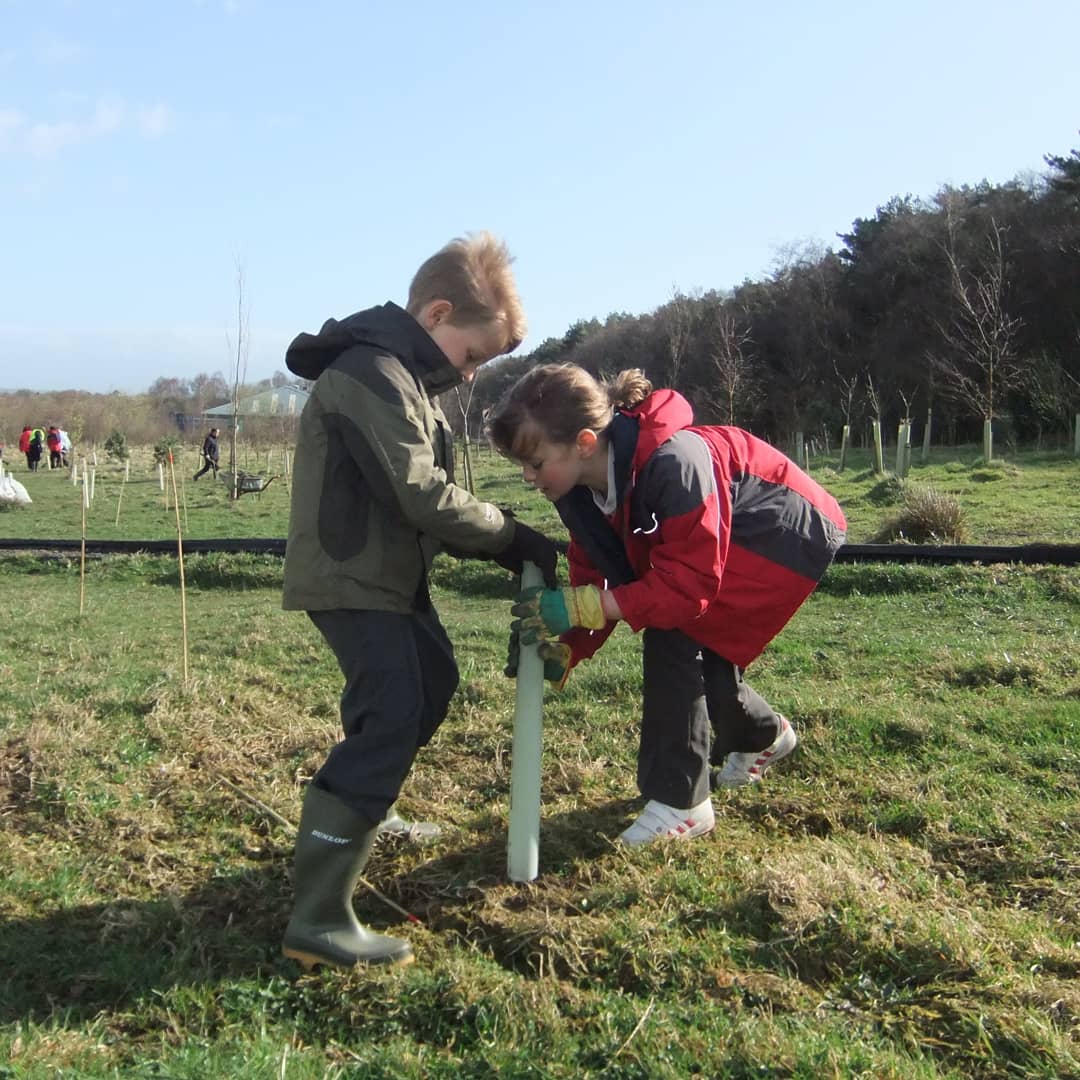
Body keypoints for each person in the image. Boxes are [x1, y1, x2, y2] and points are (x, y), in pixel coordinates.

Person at [279, 231, 560, 970]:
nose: (469, 377)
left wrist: (500, 536)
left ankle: (373, 805)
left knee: (427, 687)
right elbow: (418, 491)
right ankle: (319, 920)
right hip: (351, 577)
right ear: (437, 315)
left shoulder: (402, 374)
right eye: (473, 356)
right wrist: (509, 537)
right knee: (393, 711)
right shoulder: (371, 372)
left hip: (387, 578)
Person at [490, 364, 847, 847]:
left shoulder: (674, 464)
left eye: (535, 462)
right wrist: (571, 643)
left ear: (584, 443)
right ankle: (763, 736)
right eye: (522, 467)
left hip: (783, 528)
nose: (529, 478)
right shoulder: (576, 489)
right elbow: (593, 572)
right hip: (720, 544)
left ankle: (682, 802)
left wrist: (585, 609)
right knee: (694, 642)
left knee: (675, 633)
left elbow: (687, 587)